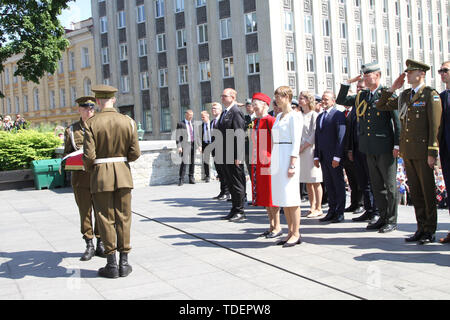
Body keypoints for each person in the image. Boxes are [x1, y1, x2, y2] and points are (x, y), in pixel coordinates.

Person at [376, 59, 442, 244]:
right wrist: (392, 88)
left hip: (423, 152)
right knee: (416, 193)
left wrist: (432, 153)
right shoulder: (404, 95)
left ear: (421, 74)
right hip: (409, 151)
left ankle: (430, 230)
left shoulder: (430, 95)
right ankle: (420, 228)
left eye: (410, 72)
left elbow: (434, 126)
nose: (407, 75)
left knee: (427, 193)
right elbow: (381, 105)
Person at [83, 84, 141, 278]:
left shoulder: (91, 123)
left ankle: (111, 264)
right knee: (124, 217)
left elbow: (89, 156)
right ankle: (124, 263)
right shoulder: (128, 121)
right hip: (123, 174)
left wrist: (91, 168)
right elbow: (135, 153)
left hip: (100, 176)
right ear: (114, 100)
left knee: (105, 218)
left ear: (97, 101)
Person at [337, 62, 399, 233]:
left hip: (385, 147)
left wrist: (397, 144)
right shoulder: (362, 96)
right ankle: (382, 217)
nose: (364, 77)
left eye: (367, 74)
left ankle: (392, 220)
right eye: (363, 75)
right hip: (368, 147)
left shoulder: (387, 94)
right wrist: (348, 81)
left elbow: (397, 121)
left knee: (390, 186)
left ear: (377, 75)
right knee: (377, 185)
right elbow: (341, 100)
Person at [64, 96, 105, 261]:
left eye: (92, 108)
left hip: (99, 177)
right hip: (81, 179)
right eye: (86, 108)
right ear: (79, 110)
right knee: (85, 212)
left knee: (100, 212)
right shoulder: (72, 131)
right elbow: (67, 154)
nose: (89, 111)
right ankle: (89, 244)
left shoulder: (101, 127)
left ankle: (101, 242)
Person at [271, 86, 303, 247]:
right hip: (278, 155)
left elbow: (296, 141)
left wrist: (292, 163)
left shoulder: (294, 116)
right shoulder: (278, 117)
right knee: (283, 197)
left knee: (291, 197)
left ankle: (296, 233)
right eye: (276, 96)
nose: (277, 99)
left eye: (280, 96)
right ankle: (289, 231)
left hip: (288, 156)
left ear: (288, 97)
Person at [250, 93, 281, 238]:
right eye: (253, 103)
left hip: (269, 162)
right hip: (258, 162)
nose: (254, 106)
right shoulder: (256, 122)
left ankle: (277, 227)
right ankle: (271, 226)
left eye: (256, 103)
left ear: (265, 104)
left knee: (271, 195)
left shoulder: (271, 121)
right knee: (264, 196)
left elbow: (277, 142)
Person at [314, 91, 347, 223]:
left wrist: (337, 157)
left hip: (334, 157)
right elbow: (317, 137)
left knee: (338, 185)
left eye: (326, 99)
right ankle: (331, 210)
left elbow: (341, 137)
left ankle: (340, 212)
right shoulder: (320, 116)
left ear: (333, 101)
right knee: (329, 184)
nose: (324, 102)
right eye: (322, 99)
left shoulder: (338, 115)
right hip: (323, 157)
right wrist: (316, 156)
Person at [217, 88, 247, 222]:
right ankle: (234, 209)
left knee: (236, 182)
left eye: (225, 96)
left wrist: (239, 155)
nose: (222, 98)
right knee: (230, 182)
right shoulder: (226, 112)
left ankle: (240, 210)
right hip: (225, 153)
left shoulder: (236, 112)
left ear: (233, 97)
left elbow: (239, 134)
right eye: (222, 96)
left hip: (233, 153)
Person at [298, 91, 323, 218]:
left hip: (310, 149)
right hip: (301, 151)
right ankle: (311, 206)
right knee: (307, 180)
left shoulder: (314, 115)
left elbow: (314, 133)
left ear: (308, 100)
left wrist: (304, 146)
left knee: (315, 180)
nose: (299, 100)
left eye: (302, 98)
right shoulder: (299, 115)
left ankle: (318, 207)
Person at [438, 61, 450, 243]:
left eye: (445, 70)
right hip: (446, 151)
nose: (441, 73)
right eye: (440, 70)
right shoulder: (440, 96)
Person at [210, 103, 230, 201]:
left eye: (215, 108)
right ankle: (222, 192)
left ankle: (226, 192)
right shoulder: (212, 122)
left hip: (223, 150)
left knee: (224, 172)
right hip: (215, 151)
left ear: (220, 109)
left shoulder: (222, 121)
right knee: (220, 173)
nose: (213, 110)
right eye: (212, 108)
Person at [176, 110, 197, 186]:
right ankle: (181, 179)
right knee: (184, 162)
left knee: (192, 162)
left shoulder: (193, 124)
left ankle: (191, 178)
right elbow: (177, 136)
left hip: (193, 144)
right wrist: (179, 146)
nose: (191, 116)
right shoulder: (181, 124)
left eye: (192, 115)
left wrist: (198, 145)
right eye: (189, 115)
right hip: (185, 145)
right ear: (186, 115)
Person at [244, 99, 256, 176]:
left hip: (256, 147)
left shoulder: (257, 117)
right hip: (247, 147)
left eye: (249, 106)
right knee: (250, 168)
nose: (247, 108)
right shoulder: (244, 118)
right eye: (246, 106)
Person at [200, 111, 212, 183]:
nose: (202, 118)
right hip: (205, 144)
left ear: (208, 116)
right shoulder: (201, 126)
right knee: (206, 161)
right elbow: (199, 137)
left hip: (214, 143)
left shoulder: (212, 124)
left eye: (203, 117)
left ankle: (220, 175)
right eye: (201, 117)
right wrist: (200, 146)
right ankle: (207, 176)